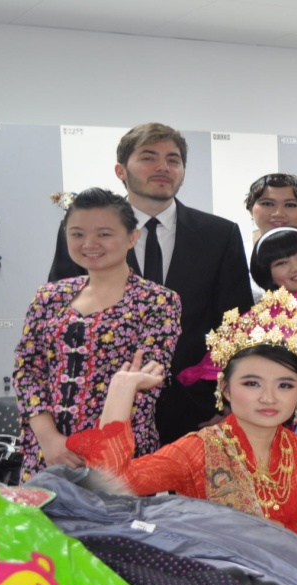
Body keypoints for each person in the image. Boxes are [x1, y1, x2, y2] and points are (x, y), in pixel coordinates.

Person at [65, 291, 297, 553]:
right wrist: (121, 391)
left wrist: (275, 531)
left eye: (285, 385)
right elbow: (112, 483)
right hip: (218, 579)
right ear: (225, 389)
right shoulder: (198, 449)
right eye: (252, 383)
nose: (269, 397)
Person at [46, 122, 253, 444]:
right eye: (148, 157)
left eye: (173, 159)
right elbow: (60, 321)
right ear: (121, 170)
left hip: (195, 410)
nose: (163, 167)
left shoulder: (219, 234)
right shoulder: (87, 232)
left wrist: (228, 402)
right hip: (99, 405)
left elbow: (236, 323)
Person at [15, 188, 180, 479]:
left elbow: (147, 381)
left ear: (132, 237)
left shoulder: (157, 301)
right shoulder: (50, 296)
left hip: (119, 453)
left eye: (104, 234)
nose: (89, 244)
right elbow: (27, 369)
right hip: (48, 454)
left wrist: (97, 449)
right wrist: (50, 439)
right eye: (77, 234)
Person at [246, 172, 297, 244]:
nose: (278, 214)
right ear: (250, 209)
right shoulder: (240, 250)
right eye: (267, 204)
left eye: (290, 205)